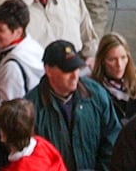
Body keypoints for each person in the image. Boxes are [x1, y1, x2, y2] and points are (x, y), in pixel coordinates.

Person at [29, 40, 121, 171]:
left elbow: (112, 138)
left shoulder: (96, 94)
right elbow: (33, 160)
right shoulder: (31, 109)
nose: (75, 75)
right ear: (48, 70)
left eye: (76, 68)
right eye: (67, 70)